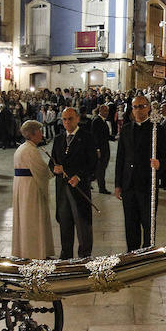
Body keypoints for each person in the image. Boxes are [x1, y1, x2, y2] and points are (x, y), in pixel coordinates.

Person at [114, 95, 166, 251]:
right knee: (130, 223)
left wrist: (160, 164)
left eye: (142, 106)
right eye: (135, 107)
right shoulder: (125, 129)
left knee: (148, 222)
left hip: (147, 184)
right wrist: (118, 184)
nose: (138, 110)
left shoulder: (157, 129)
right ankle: (132, 254)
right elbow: (120, 158)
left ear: (149, 107)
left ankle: (148, 254)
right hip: (129, 184)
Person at [48, 107, 97, 259]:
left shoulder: (87, 137)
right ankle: (65, 256)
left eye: (70, 119)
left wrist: (79, 176)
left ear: (77, 119)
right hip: (62, 190)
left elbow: (93, 164)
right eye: (64, 119)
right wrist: (54, 168)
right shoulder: (58, 139)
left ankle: (84, 257)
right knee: (65, 223)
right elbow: (52, 162)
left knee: (83, 225)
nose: (67, 122)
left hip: (79, 189)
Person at [12, 120, 55, 259]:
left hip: (21, 185)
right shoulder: (30, 150)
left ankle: (25, 249)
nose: (42, 134)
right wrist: (55, 171)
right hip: (30, 186)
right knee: (32, 218)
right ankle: (34, 251)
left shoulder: (22, 148)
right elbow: (42, 170)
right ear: (33, 133)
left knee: (25, 218)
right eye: (40, 131)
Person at [90, 104, 112, 194]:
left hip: (105, 147)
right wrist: (97, 149)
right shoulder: (96, 121)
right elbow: (94, 136)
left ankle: (88, 181)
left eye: (107, 111)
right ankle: (102, 188)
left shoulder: (103, 121)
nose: (107, 113)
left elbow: (105, 136)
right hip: (101, 149)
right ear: (100, 111)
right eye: (105, 111)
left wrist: (114, 137)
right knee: (101, 169)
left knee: (100, 168)